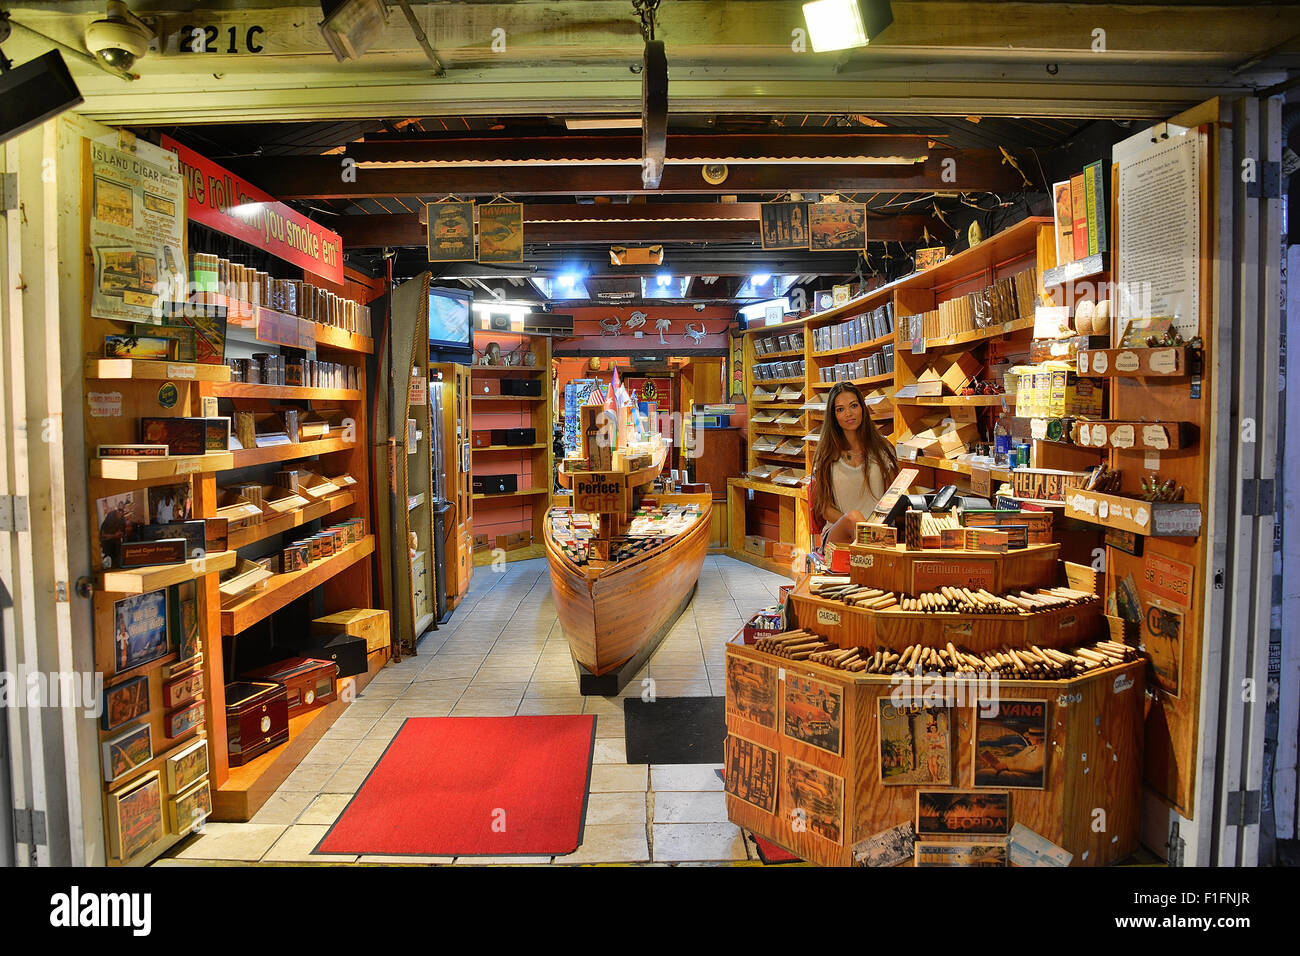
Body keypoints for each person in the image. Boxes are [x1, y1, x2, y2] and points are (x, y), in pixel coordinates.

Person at [810, 382, 898, 548]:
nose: (848, 414)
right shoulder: (826, 455)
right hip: (839, 534)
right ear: (833, 416)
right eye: (840, 409)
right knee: (853, 517)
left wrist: (873, 527)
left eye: (853, 406)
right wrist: (854, 525)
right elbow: (825, 508)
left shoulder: (883, 450)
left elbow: (892, 500)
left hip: (878, 531)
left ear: (863, 408)